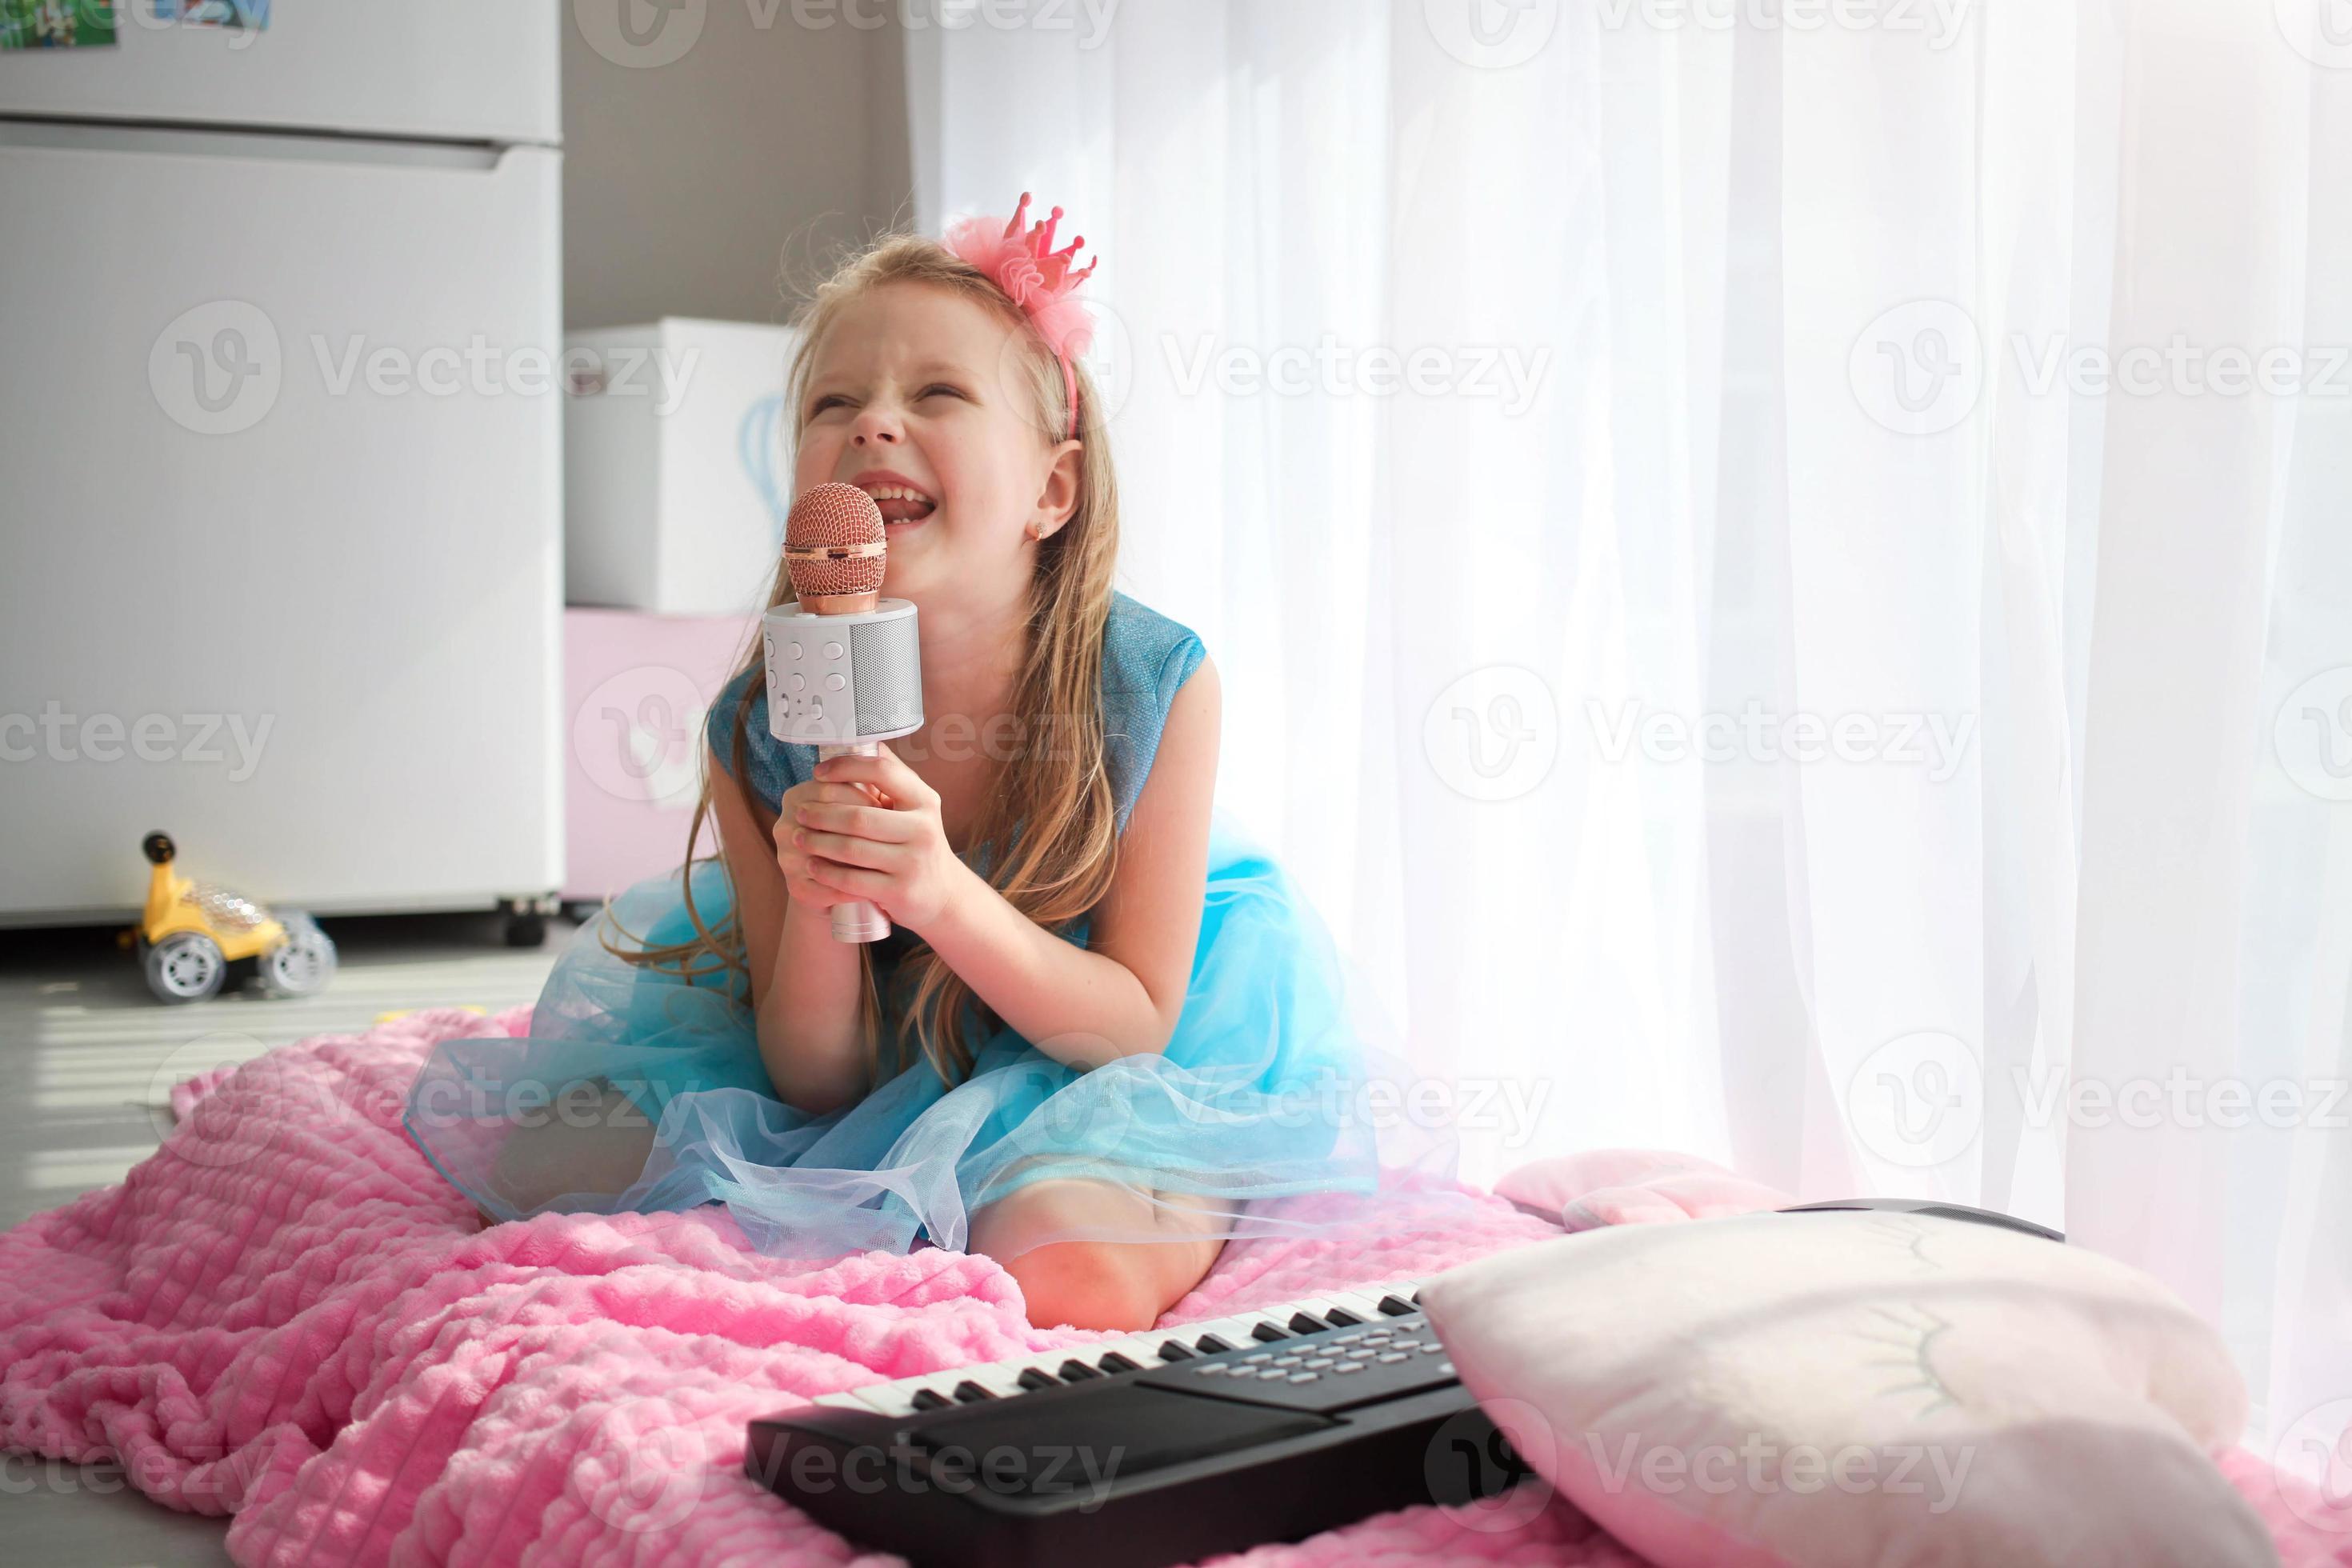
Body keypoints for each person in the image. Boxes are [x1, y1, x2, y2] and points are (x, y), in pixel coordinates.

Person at [403, 196, 1471, 1330]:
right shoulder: (757, 726)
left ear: (1051, 493)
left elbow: (1130, 1032)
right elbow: (816, 1080)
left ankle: (1159, 1188)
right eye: (833, 402)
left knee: (1063, 1264)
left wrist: (940, 894)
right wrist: (831, 886)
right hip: (873, 1044)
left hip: (1093, 1038)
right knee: (546, 1171)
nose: (874, 426)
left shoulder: (1150, 683)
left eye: (938, 395)